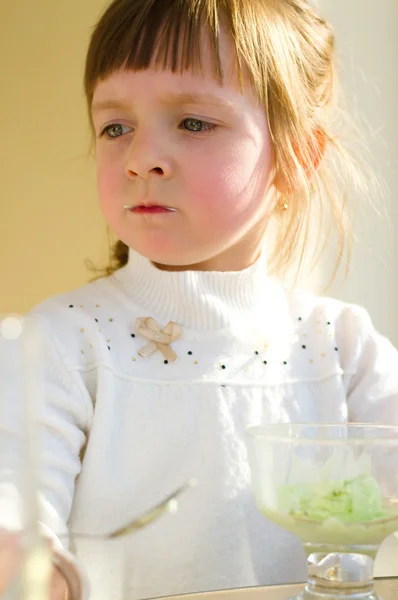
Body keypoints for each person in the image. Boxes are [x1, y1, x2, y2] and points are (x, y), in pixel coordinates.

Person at [1, 0, 398, 598]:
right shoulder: (62, 342)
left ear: (297, 157)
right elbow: (16, 510)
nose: (141, 160)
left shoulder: (340, 345)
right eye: (116, 127)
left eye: (193, 123)